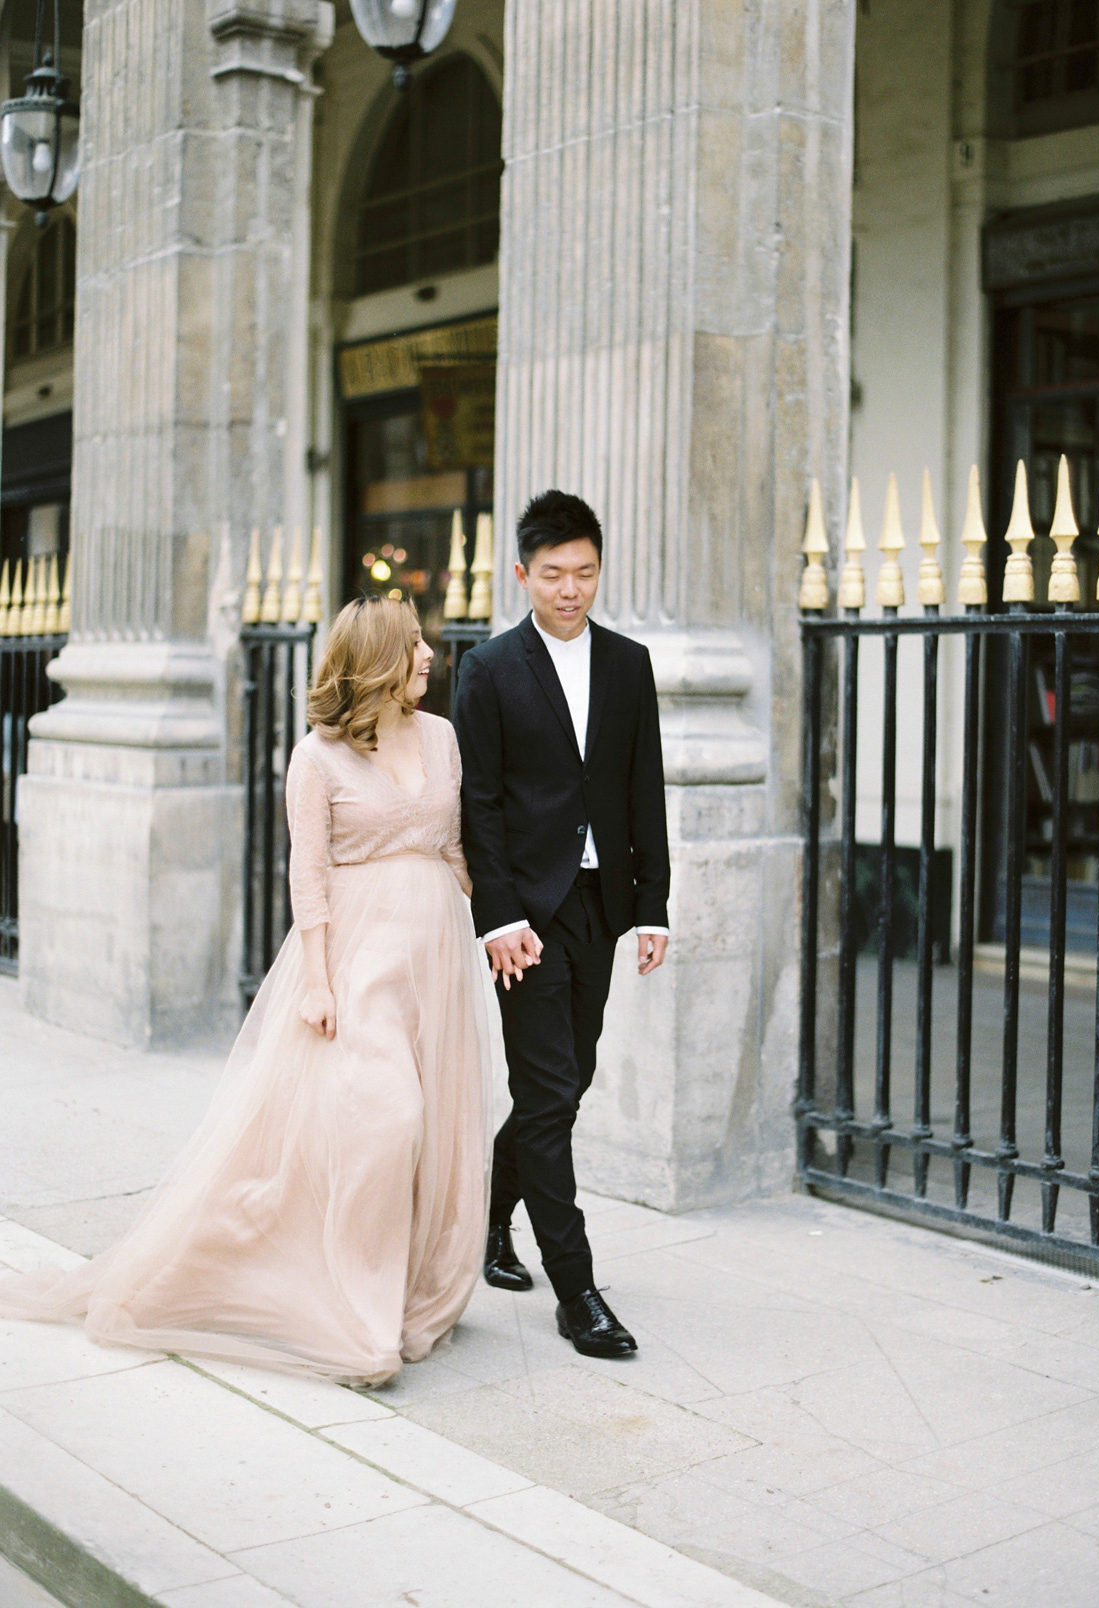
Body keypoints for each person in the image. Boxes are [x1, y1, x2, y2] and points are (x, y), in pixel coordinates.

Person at [0, 597, 490, 1387]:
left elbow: (461, 848)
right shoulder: (318, 757)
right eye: (413, 644)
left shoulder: (442, 735)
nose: (430, 654)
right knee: (386, 1120)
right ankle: (353, 1311)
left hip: (436, 959)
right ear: (378, 660)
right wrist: (320, 981)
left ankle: (408, 1290)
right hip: (359, 964)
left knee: (435, 1132)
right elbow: (310, 872)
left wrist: (506, 921)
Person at [454, 490, 670, 1360]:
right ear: (523, 575)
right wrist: (497, 915)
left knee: (565, 1082)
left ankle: (488, 1218)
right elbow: (480, 803)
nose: (570, 588)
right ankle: (576, 1289)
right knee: (548, 1094)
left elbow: (643, 787)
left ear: (598, 570)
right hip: (526, 917)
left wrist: (653, 904)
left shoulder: (629, 663)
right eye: (553, 574)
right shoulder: (490, 668)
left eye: (584, 572)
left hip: (600, 906)